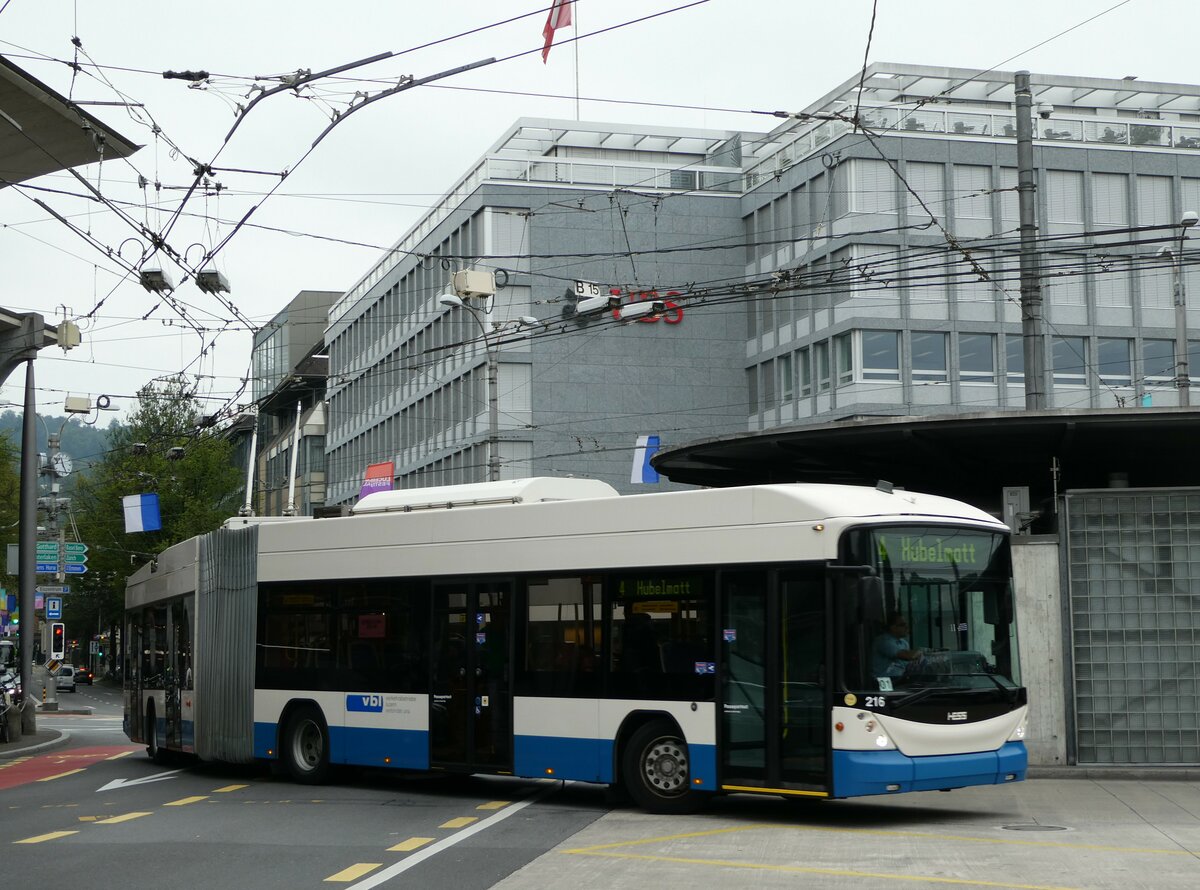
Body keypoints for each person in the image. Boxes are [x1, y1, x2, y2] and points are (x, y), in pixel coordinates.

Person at [873, 613, 922, 678]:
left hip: (899, 679)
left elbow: (907, 665)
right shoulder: (883, 641)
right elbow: (908, 656)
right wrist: (922, 651)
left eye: (907, 624)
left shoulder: (904, 642)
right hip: (883, 681)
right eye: (903, 625)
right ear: (892, 627)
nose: (907, 627)